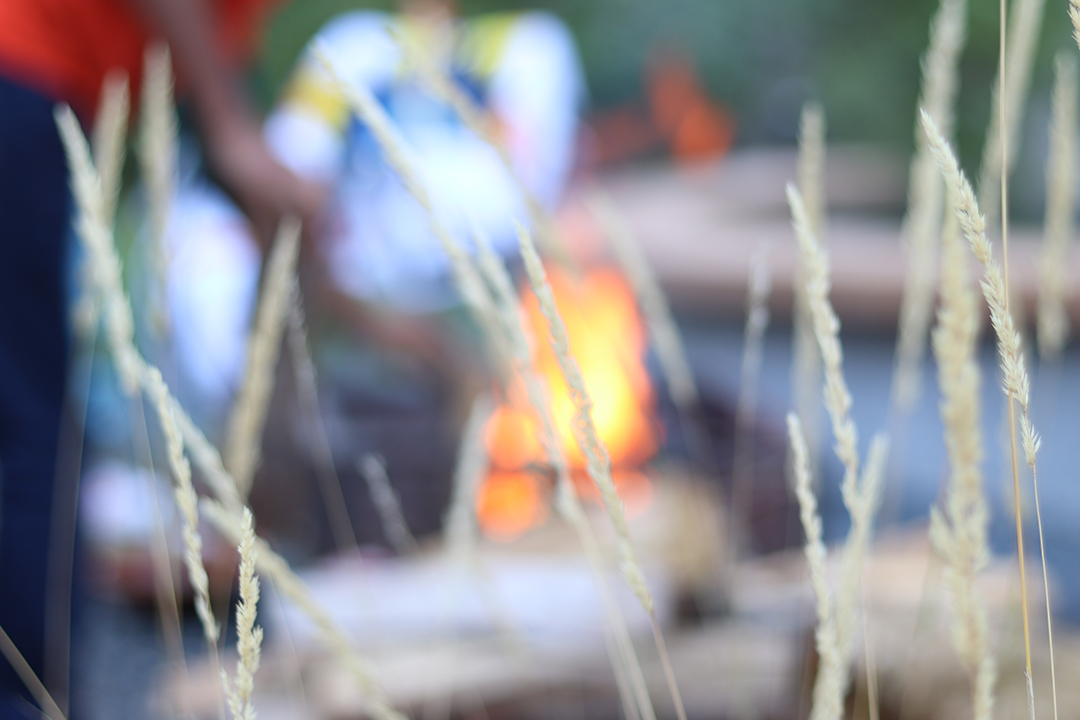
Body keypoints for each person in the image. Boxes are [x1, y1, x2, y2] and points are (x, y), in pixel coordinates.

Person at [0, 0, 321, 715]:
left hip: (39, 86)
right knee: (28, 428)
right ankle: (25, 698)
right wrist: (229, 123)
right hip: (21, 76)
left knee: (25, 414)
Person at [166, 0, 585, 428]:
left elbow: (526, 211)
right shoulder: (351, 45)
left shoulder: (528, 46)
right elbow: (288, 190)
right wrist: (371, 317)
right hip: (353, 323)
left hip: (489, 319)